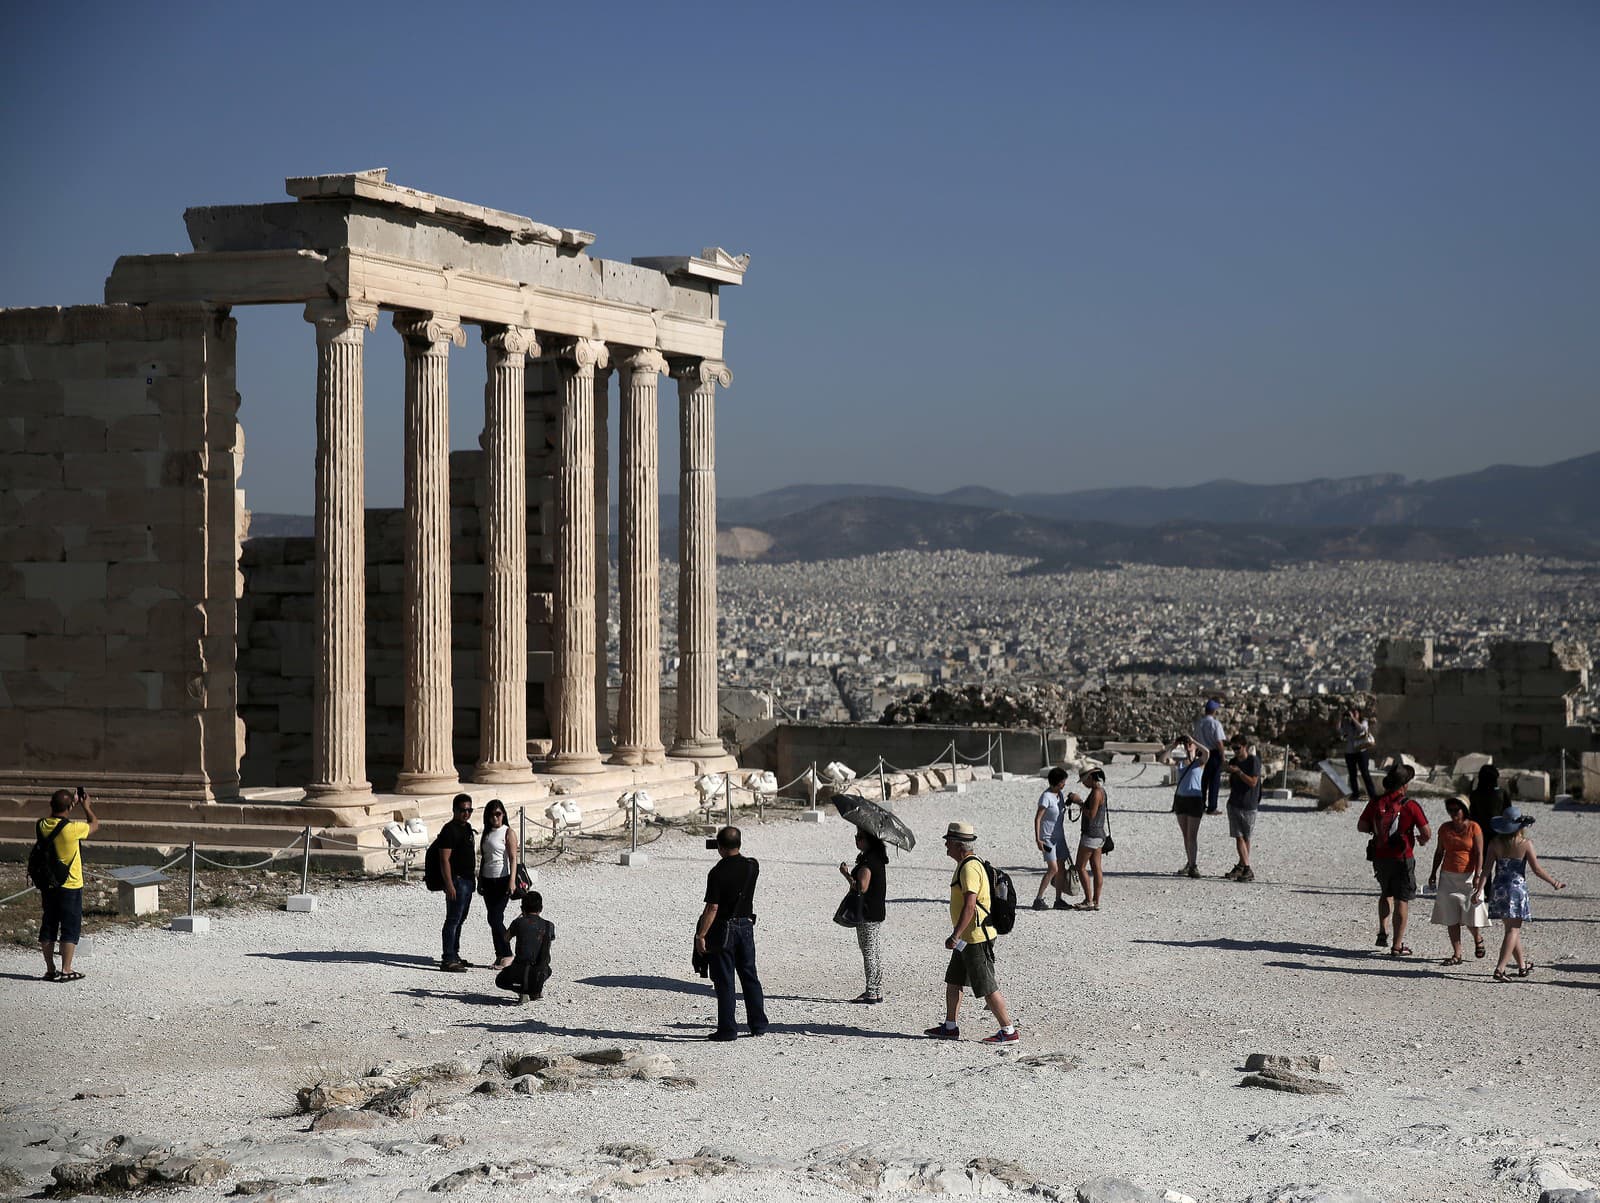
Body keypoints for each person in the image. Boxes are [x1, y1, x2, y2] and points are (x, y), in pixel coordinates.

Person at [924, 821, 1017, 1045]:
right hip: (968, 937)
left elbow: (970, 905)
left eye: (949, 841)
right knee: (954, 980)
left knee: (986, 985)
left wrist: (955, 935)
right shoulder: (967, 864)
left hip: (975, 937)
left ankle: (1008, 1030)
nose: (945, 844)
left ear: (958, 845)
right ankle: (950, 1026)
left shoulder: (969, 868)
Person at [696, 825, 768, 1041]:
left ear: (719, 846)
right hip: (746, 926)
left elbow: (712, 908)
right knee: (749, 976)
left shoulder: (717, 873)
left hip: (724, 929)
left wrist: (701, 935)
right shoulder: (752, 866)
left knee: (725, 979)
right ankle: (758, 1024)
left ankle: (728, 1029)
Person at [1483, 806, 1566, 982]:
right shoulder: (1525, 844)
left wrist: (1479, 889)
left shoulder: (1494, 843)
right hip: (1516, 889)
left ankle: (1522, 966)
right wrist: (1554, 882)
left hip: (1499, 888)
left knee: (1510, 930)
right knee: (1513, 930)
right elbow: (1536, 869)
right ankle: (1500, 969)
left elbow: (1487, 870)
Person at [1356, 764, 1431, 957]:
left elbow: (1362, 826)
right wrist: (1420, 839)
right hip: (1402, 856)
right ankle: (1397, 945)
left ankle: (1383, 930)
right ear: (1404, 784)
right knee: (1402, 899)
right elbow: (1426, 832)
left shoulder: (1376, 802)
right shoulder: (1410, 805)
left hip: (1380, 856)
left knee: (1385, 893)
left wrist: (1378, 830)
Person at [36, 787, 98, 983]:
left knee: (49, 925)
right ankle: (66, 968)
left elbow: (55, 816)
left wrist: (68, 803)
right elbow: (94, 824)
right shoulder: (72, 829)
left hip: (49, 884)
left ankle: (50, 969)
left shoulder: (41, 825)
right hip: (70, 884)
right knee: (70, 927)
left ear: (51, 805)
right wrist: (86, 806)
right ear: (69, 808)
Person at [1427, 795, 1487, 964]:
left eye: (1456, 810)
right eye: (1450, 810)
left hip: (1468, 876)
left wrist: (1477, 874)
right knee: (1450, 916)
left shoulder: (1474, 828)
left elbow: (1479, 853)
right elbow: (1439, 852)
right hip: (1448, 875)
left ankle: (1478, 939)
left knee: (1471, 913)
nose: (1453, 813)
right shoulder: (1444, 828)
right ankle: (1457, 953)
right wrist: (1433, 872)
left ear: (1464, 811)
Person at [838, 830, 888, 1003]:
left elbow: (861, 887)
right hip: (875, 911)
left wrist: (845, 873)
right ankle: (876, 990)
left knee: (869, 952)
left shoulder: (868, 861)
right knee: (873, 951)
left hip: (868, 912)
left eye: (859, 838)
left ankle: (872, 992)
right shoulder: (876, 857)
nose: (856, 840)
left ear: (869, 841)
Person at [478, 798, 520, 970]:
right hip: (487, 879)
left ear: (503, 814)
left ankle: (508, 953)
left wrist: (512, 880)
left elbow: (513, 858)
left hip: (502, 878)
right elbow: (484, 858)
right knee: (493, 918)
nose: (495, 818)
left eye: (498, 814)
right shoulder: (487, 833)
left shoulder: (508, 832)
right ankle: (499, 954)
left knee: (495, 918)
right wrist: (479, 878)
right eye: (492, 815)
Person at [438, 793, 477, 972]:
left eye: (469, 810)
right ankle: (448, 958)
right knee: (453, 919)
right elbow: (444, 859)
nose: (466, 813)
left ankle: (455, 953)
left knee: (460, 919)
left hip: (468, 880)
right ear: (455, 810)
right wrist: (449, 884)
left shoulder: (467, 828)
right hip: (457, 881)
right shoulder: (449, 830)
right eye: (462, 810)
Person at [495, 891, 554, 1003]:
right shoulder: (549, 925)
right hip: (540, 970)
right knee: (547, 968)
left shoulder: (518, 922)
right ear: (541, 908)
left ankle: (522, 991)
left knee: (500, 980)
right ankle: (536, 988)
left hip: (519, 969)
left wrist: (520, 918)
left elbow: (506, 938)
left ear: (522, 908)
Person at [1164, 735, 1209, 878]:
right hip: (1181, 800)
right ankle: (1190, 862)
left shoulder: (1200, 762)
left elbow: (1207, 752)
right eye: (1186, 744)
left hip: (1195, 800)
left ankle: (1193, 866)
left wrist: (1193, 741)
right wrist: (1174, 745)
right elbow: (1163, 760)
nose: (1188, 745)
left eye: (1190, 744)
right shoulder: (1181, 763)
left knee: (1192, 835)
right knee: (1186, 835)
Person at [1031, 768, 1073, 911]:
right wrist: (1038, 839)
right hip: (1047, 839)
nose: (1064, 784)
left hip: (1060, 838)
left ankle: (1058, 899)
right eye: (1063, 782)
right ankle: (1038, 899)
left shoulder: (1059, 795)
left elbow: (1059, 811)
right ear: (1057, 782)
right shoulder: (1046, 797)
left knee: (1061, 869)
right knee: (1053, 868)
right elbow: (1038, 818)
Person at [1222, 735, 1262, 882]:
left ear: (1244, 746)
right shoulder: (1233, 761)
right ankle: (1243, 866)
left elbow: (1253, 782)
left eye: (1237, 748)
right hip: (1234, 803)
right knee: (1238, 837)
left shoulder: (1253, 761)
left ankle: (1245, 867)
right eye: (1233, 748)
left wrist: (1238, 772)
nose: (1235, 751)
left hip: (1249, 804)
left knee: (1246, 838)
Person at [1071, 768, 1108, 911]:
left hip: (1091, 835)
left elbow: (1091, 815)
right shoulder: (1101, 791)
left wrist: (1078, 802)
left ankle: (1088, 900)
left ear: (1091, 777)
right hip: (1099, 834)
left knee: (1080, 867)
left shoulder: (1096, 793)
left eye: (1085, 780)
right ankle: (1096, 901)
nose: (1084, 784)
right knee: (1096, 867)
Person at [1192, 698, 1227, 814]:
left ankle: (1200, 805)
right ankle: (1212, 807)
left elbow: (1195, 739)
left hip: (1202, 752)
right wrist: (1223, 756)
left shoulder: (1199, 723)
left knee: (1202, 781)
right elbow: (1219, 742)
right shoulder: (1215, 724)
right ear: (1214, 711)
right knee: (1214, 782)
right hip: (1213, 754)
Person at [1338, 706, 1379, 802]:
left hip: (1361, 751)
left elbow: (1361, 729)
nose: (1353, 714)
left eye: (1355, 713)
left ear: (1359, 713)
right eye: (1351, 713)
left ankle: (1372, 794)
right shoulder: (1347, 723)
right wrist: (1340, 718)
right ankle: (1355, 794)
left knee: (1365, 773)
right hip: (1350, 752)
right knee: (1352, 774)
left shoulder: (1364, 721)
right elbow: (1339, 731)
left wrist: (1353, 719)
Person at [1467, 764, 1509, 846]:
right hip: (1498, 832)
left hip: (1480, 832)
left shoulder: (1475, 794)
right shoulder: (1502, 793)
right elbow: (1508, 812)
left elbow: (1472, 815)